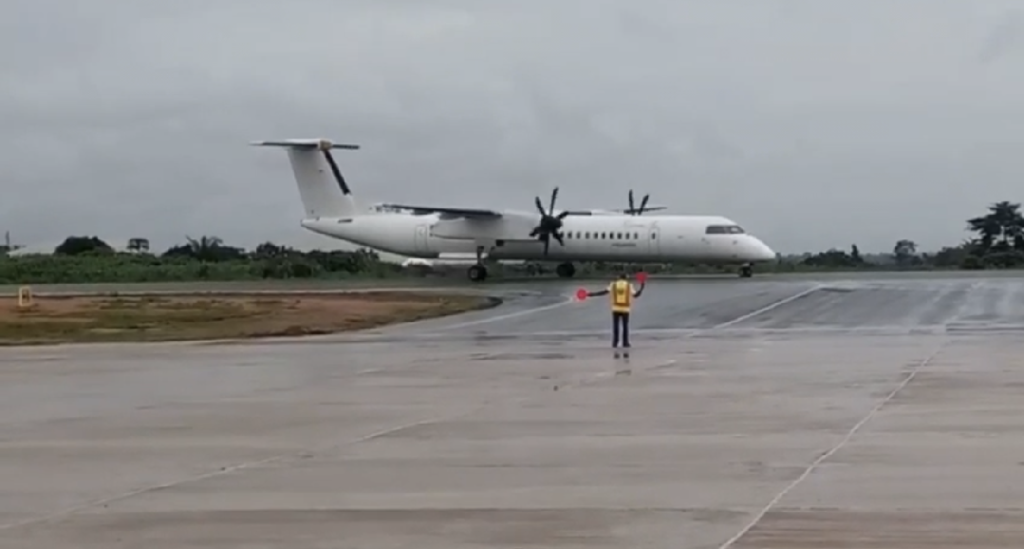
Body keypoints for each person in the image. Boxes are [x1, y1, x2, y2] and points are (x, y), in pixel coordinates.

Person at [586, 272, 645, 348]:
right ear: (626, 278)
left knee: (615, 326)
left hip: (615, 308)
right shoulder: (629, 286)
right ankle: (625, 342)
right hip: (625, 309)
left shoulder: (613, 285)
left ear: (618, 277)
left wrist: (592, 294)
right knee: (625, 326)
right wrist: (641, 289)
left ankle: (615, 342)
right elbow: (635, 295)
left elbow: (604, 292)